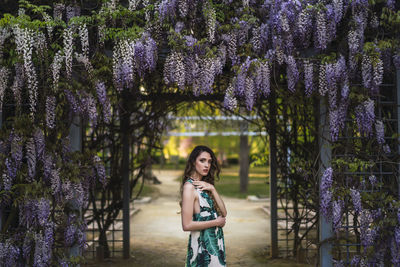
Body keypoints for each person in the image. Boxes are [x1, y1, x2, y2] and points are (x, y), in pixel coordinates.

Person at [180, 145, 227, 267]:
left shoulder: (205, 186)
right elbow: (187, 225)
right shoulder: (189, 187)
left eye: (209, 161)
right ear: (193, 162)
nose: (207, 165)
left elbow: (224, 213)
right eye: (202, 160)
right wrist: (216, 222)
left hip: (215, 245)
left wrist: (212, 189)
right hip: (202, 248)